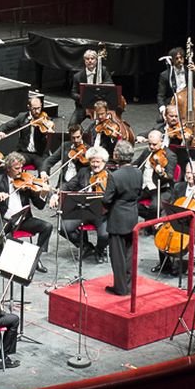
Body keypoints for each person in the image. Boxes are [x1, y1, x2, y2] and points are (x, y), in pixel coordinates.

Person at [0, 153, 52, 269]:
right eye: (17, 168)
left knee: (47, 226)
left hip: (23, 219)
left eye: (21, 167)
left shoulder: (26, 181)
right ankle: (6, 258)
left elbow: (40, 205)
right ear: (8, 168)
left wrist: (43, 194)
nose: (20, 171)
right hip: (5, 219)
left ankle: (35, 257)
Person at [52, 145, 110, 262]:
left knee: (104, 235)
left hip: (102, 213)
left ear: (104, 162)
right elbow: (68, 185)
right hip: (83, 209)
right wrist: (56, 194)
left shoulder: (110, 176)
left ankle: (99, 250)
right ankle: (85, 246)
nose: (95, 165)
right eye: (92, 162)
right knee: (63, 228)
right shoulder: (84, 172)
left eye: (98, 162)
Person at [102, 140, 141, 296]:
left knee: (117, 255)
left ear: (117, 155)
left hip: (118, 217)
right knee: (130, 252)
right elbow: (139, 193)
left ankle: (120, 288)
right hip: (132, 215)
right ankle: (129, 285)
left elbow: (106, 199)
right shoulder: (138, 172)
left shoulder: (115, 176)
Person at [0, 95, 52, 170]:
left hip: (40, 154)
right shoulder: (22, 117)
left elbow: (50, 126)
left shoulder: (45, 118)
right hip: (24, 153)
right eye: (34, 109)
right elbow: (7, 125)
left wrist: (49, 131)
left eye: (39, 108)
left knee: (44, 170)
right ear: (29, 107)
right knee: (9, 163)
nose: (37, 111)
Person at [70, 50, 113, 126]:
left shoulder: (103, 71)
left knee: (108, 125)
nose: (90, 61)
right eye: (87, 59)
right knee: (72, 124)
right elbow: (73, 93)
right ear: (84, 61)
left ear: (96, 60)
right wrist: (83, 97)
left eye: (92, 58)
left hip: (100, 106)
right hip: (83, 106)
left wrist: (100, 87)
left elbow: (110, 84)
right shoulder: (77, 76)